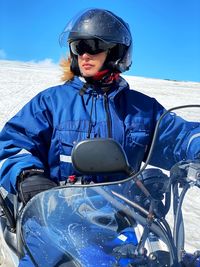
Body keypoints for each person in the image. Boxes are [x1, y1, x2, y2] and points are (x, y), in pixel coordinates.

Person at [0, 8, 200, 266]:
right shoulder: (51, 102)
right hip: (53, 226)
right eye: (77, 46)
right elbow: (14, 145)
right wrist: (28, 176)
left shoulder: (141, 109)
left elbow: (180, 138)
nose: (83, 54)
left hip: (116, 227)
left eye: (93, 46)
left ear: (116, 52)